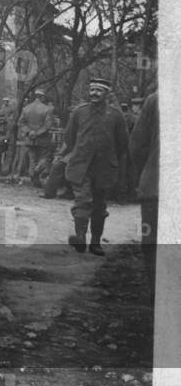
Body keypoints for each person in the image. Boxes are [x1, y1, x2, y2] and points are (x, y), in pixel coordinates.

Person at [62, 78, 130, 256]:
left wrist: (109, 157)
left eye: (99, 90)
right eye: (92, 90)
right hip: (81, 166)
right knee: (83, 201)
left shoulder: (115, 115)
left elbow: (123, 142)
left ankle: (95, 243)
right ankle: (80, 238)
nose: (94, 93)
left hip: (104, 168)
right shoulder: (79, 112)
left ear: (107, 94)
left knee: (99, 206)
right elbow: (69, 138)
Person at [129, 91, 158, 295]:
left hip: (155, 188)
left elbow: (136, 147)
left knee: (154, 246)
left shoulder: (155, 99)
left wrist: (146, 174)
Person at [16, 89, 55, 186]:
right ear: (42, 97)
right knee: (45, 157)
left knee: (32, 159)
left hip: (29, 139)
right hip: (42, 139)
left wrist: (29, 132)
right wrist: (37, 133)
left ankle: (34, 180)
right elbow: (48, 125)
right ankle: (37, 172)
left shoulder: (26, 108)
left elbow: (20, 122)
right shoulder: (47, 109)